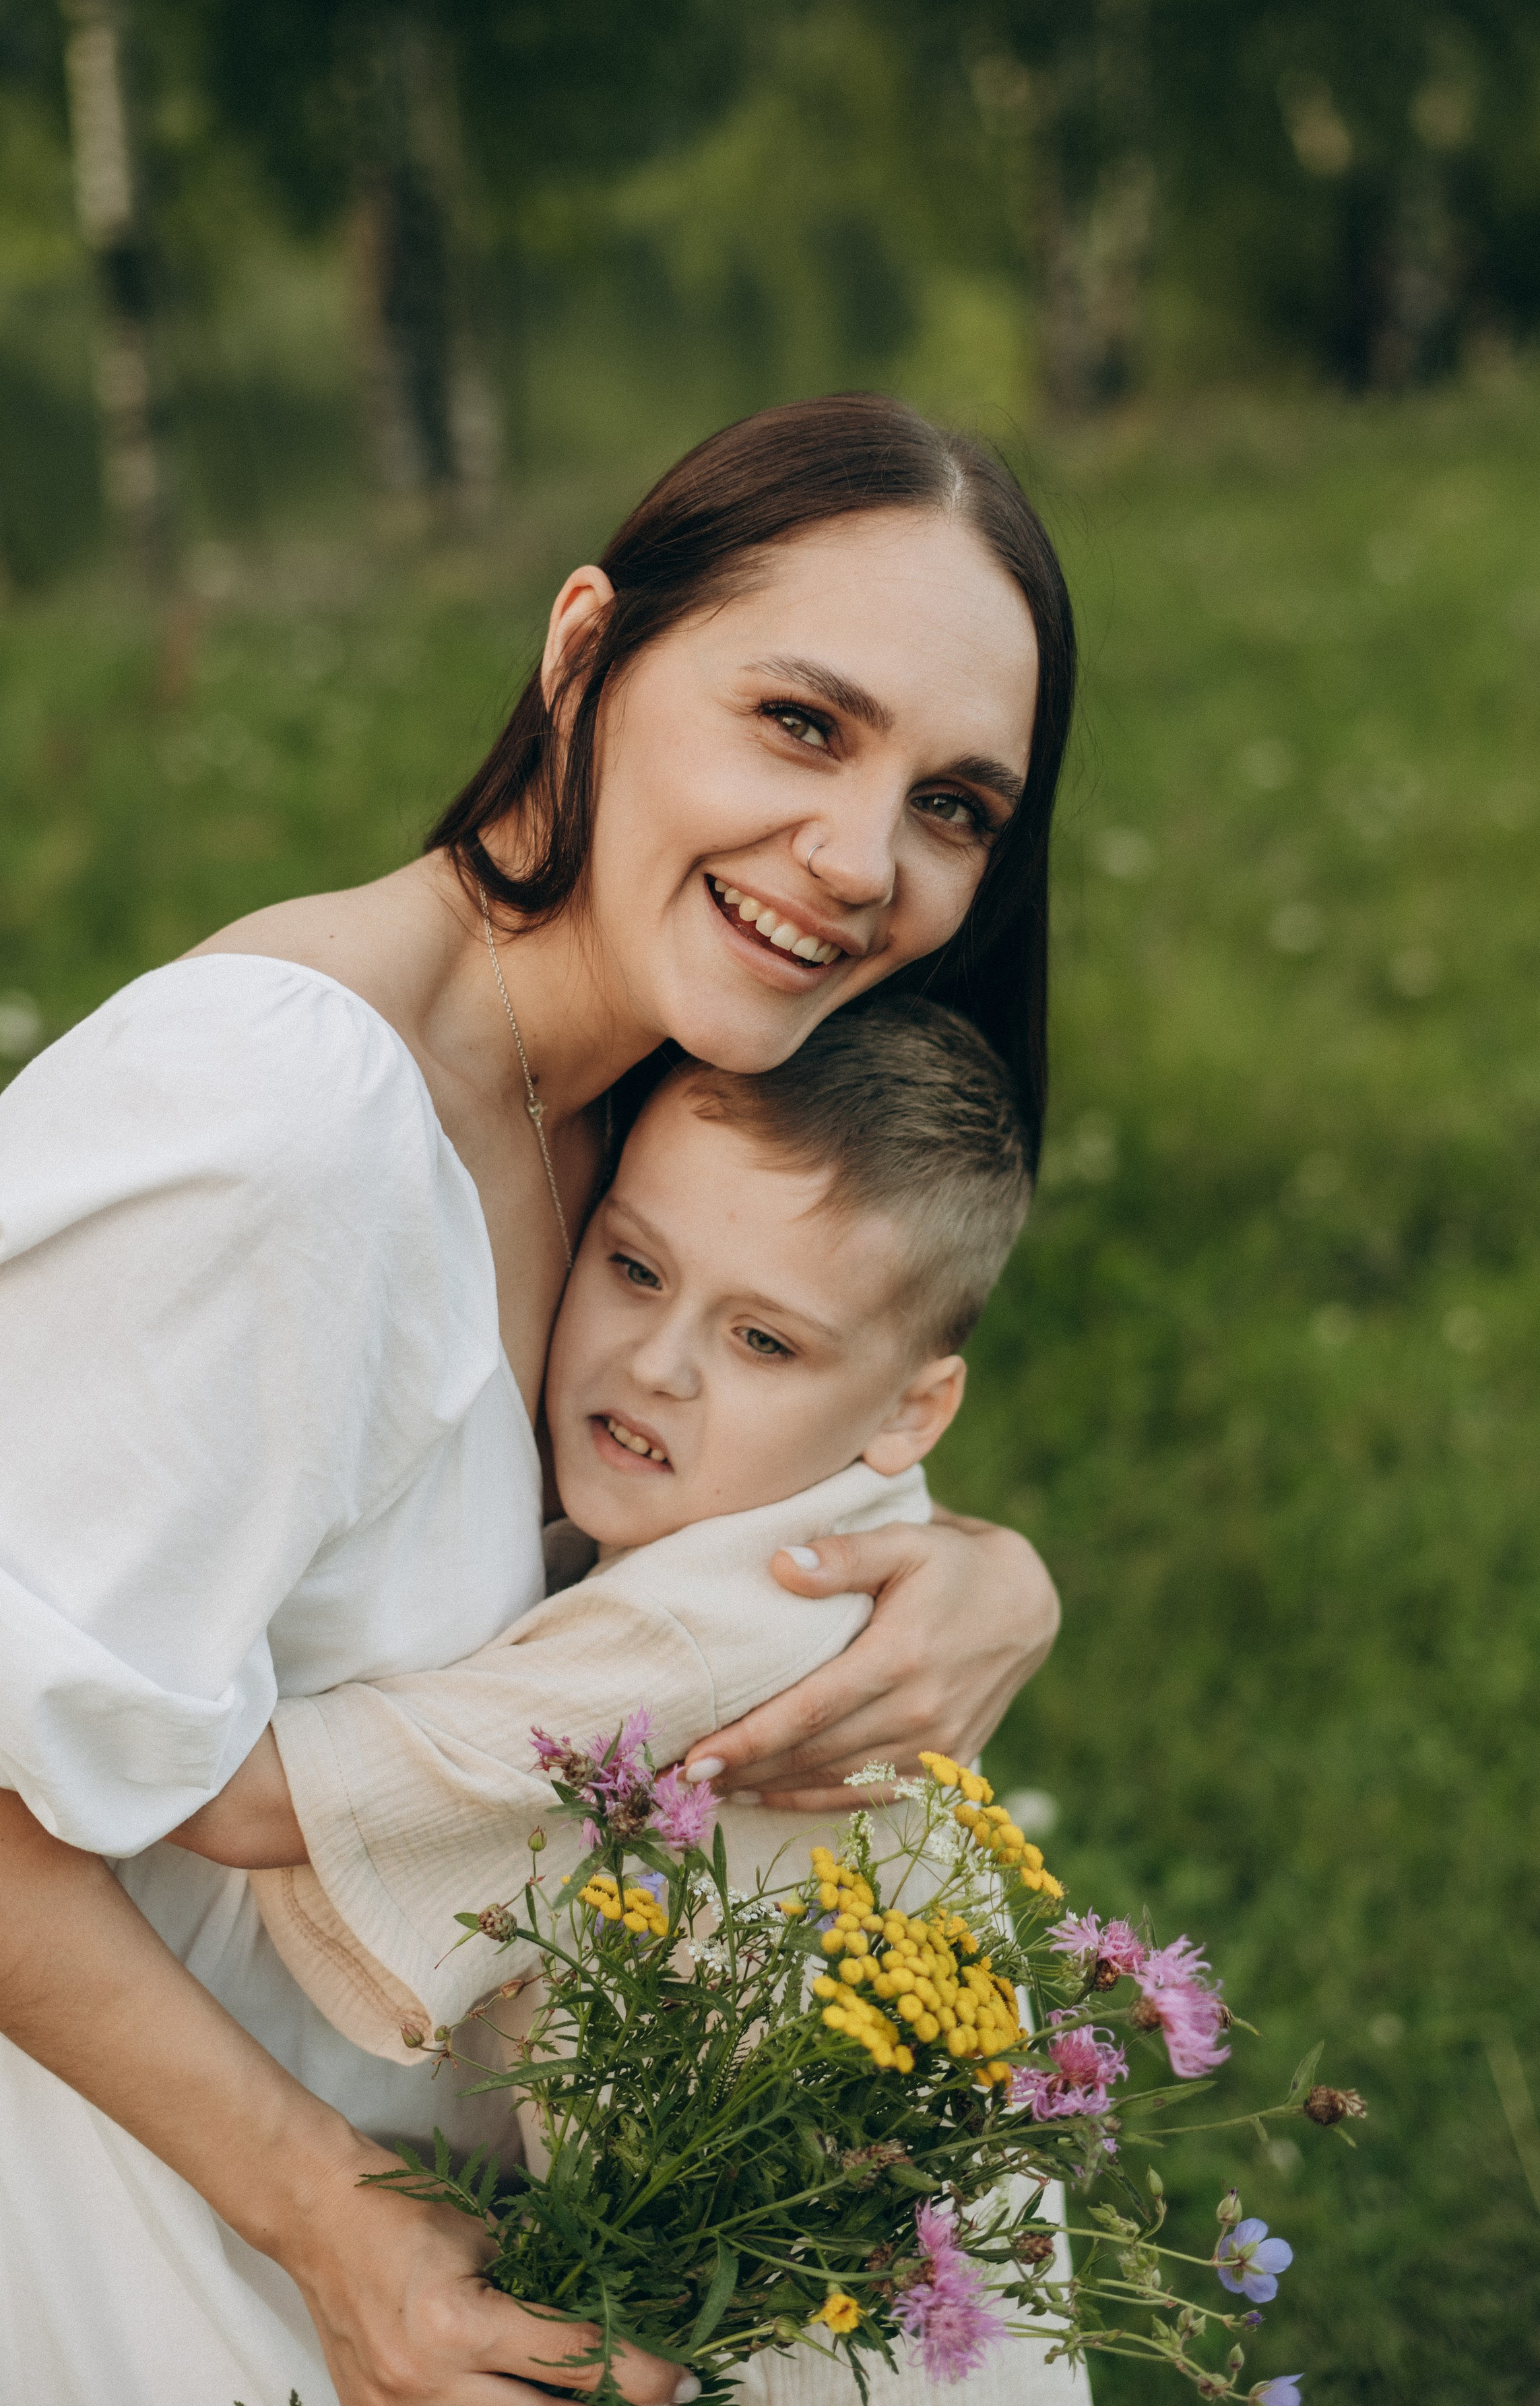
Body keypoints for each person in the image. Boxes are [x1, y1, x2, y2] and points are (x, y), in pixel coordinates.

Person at [0, 394, 1077, 2406]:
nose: (862, 864)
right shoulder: (291, 1132)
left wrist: (985, 1574)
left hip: (449, 2158)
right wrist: (330, 2221)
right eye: (802, 723)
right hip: (147, 2184)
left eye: (955, 805)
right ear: (584, 654)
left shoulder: (651, 1102)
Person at [199, 993, 1084, 2405]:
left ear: (914, 1408)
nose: (655, 1365)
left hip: (791, 2334)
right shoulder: (867, 1534)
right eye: (631, 1267)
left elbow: (249, 1805)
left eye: (762, 1344)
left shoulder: (696, 1636)